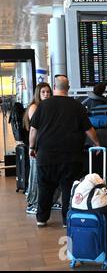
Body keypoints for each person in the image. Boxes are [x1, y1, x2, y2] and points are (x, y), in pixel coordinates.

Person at [29, 75, 100, 228]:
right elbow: (89, 129)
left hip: (46, 155)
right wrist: (97, 143)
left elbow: (33, 129)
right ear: (67, 88)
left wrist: (31, 147)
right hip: (71, 156)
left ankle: (41, 218)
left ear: (54, 88)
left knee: (45, 188)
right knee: (68, 188)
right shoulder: (77, 106)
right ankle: (66, 219)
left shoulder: (43, 106)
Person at [23, 82, 62, 215]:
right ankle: (32, 203)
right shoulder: (35, 107)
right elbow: (36, 128)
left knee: (53, 176)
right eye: (43, 92)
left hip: (48, 146)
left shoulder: (48, 107)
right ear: (38, 94)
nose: (46, 94)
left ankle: (51, 201)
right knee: (35, 176)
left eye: (48, 92)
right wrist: (32, 147)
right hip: (38, 147)